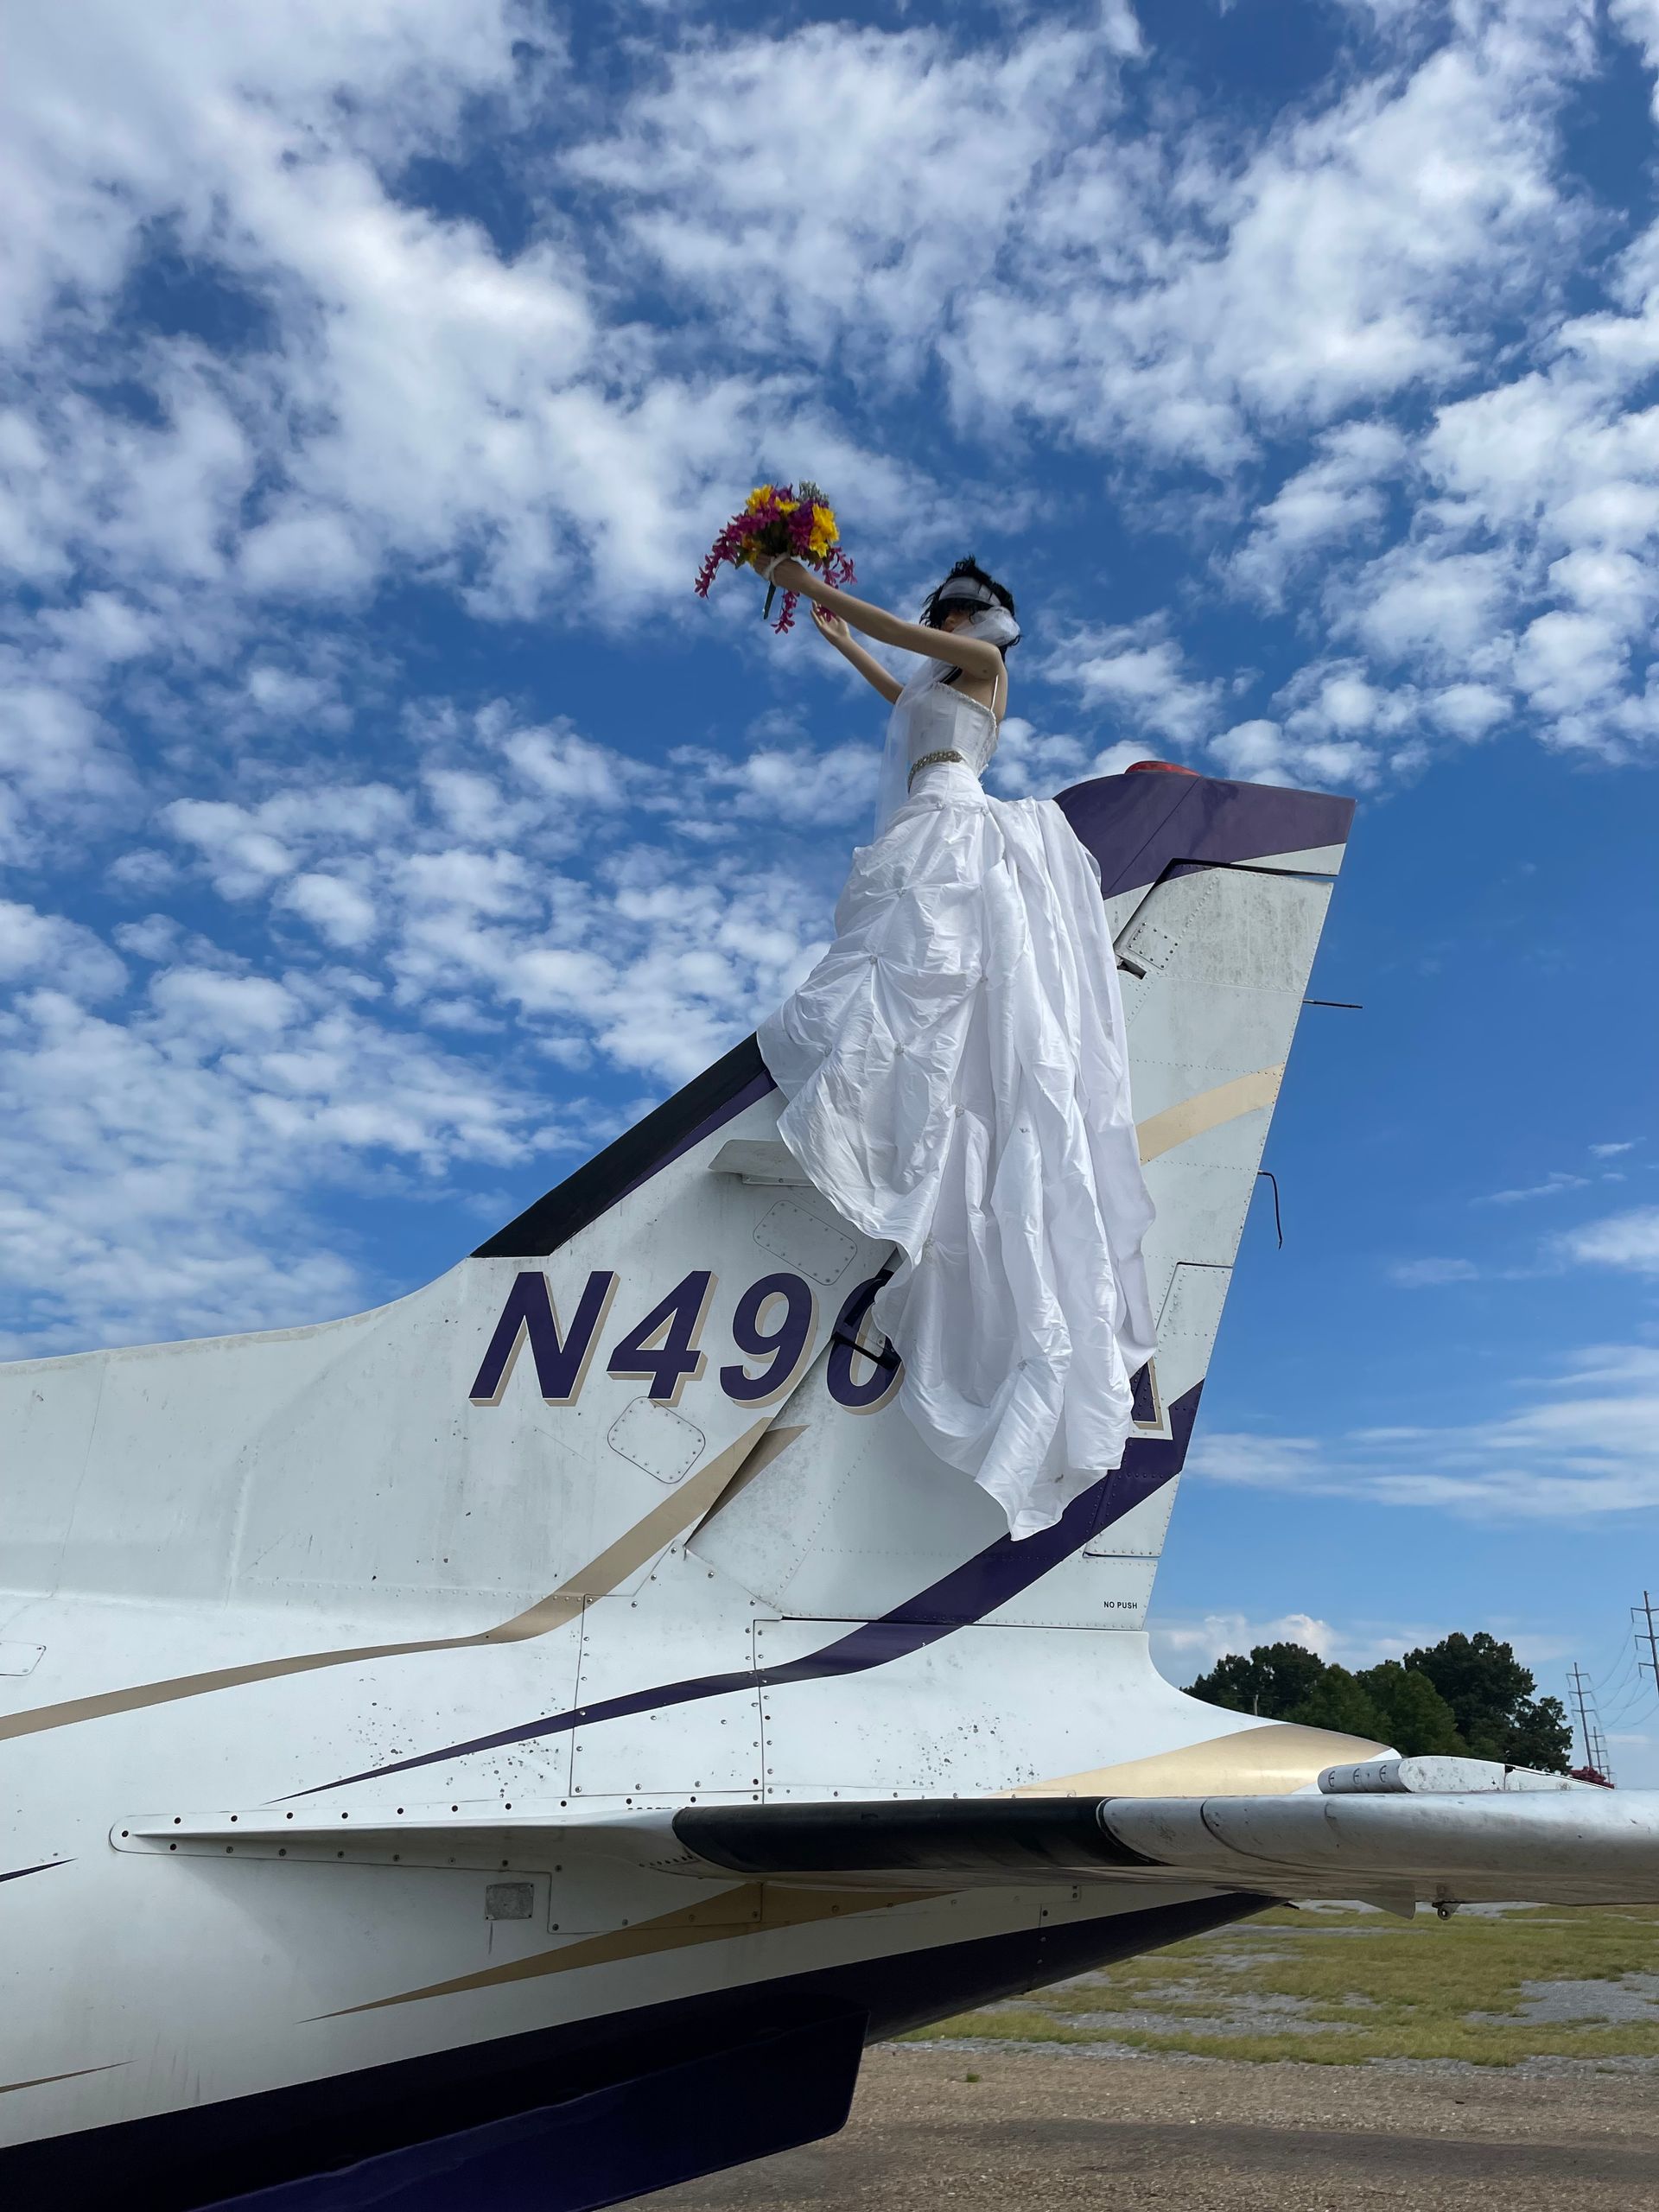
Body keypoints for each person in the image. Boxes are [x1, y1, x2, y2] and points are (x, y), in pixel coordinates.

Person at [755, 552, 1156, 1541]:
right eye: (948, 608)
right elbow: (899, 687)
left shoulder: (987, 667)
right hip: (922, 817)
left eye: (960, 610)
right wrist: (839, 640)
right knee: (899, 979)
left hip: (954, 822)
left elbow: (904, 644)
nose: (951, 619)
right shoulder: (941, 682)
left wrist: (812, 588)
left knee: (932, 974)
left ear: (982, 620)